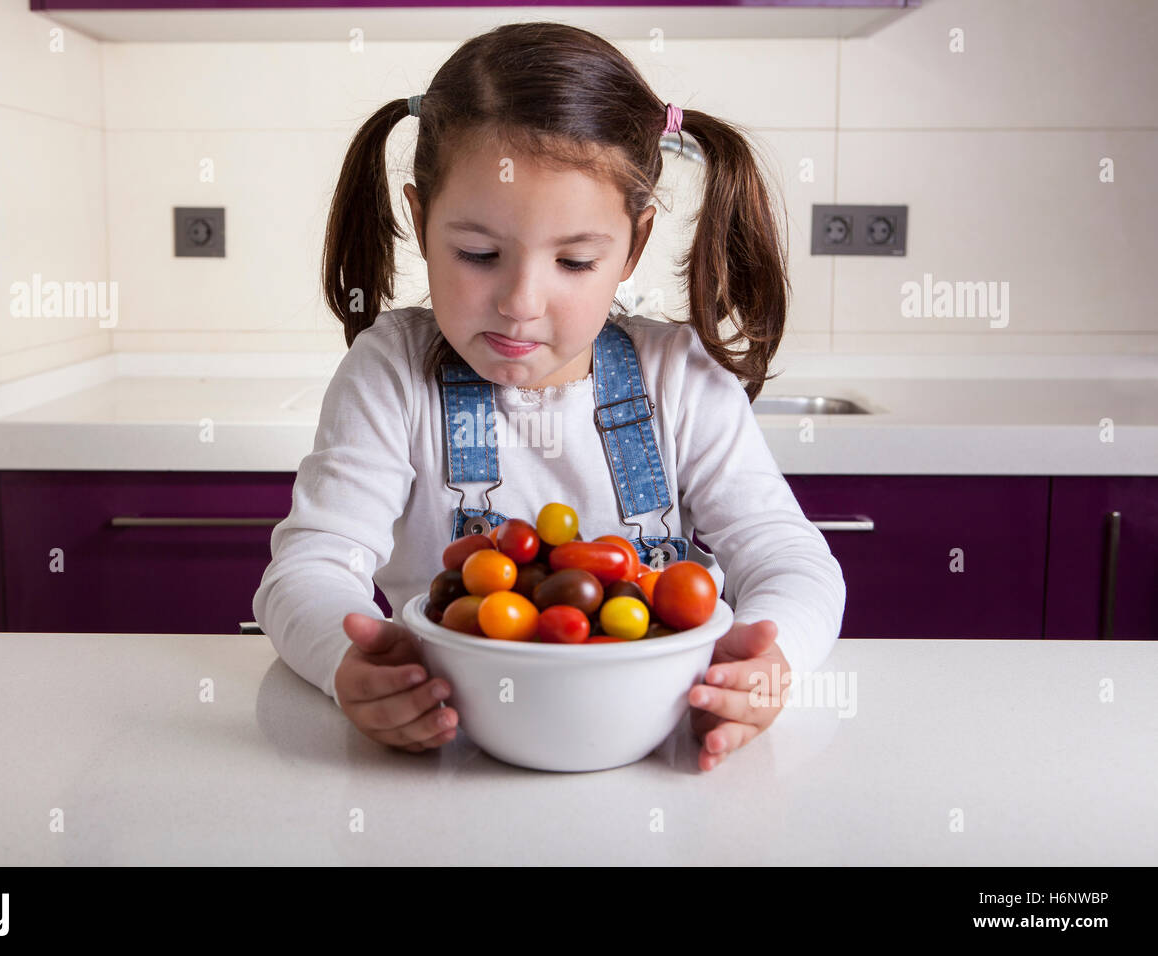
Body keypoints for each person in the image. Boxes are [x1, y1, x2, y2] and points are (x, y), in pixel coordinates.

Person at [253, 21, 846, 773]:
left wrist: (766, 659)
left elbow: (791, 559)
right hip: (450, 760)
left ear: (632, 247)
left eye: (573, 260)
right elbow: (307, 570)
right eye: (478, 254)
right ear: (418, 219)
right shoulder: (392, 372)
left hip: (655, 759)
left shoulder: (680, 379)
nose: (520, 303)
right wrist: (349, 664)